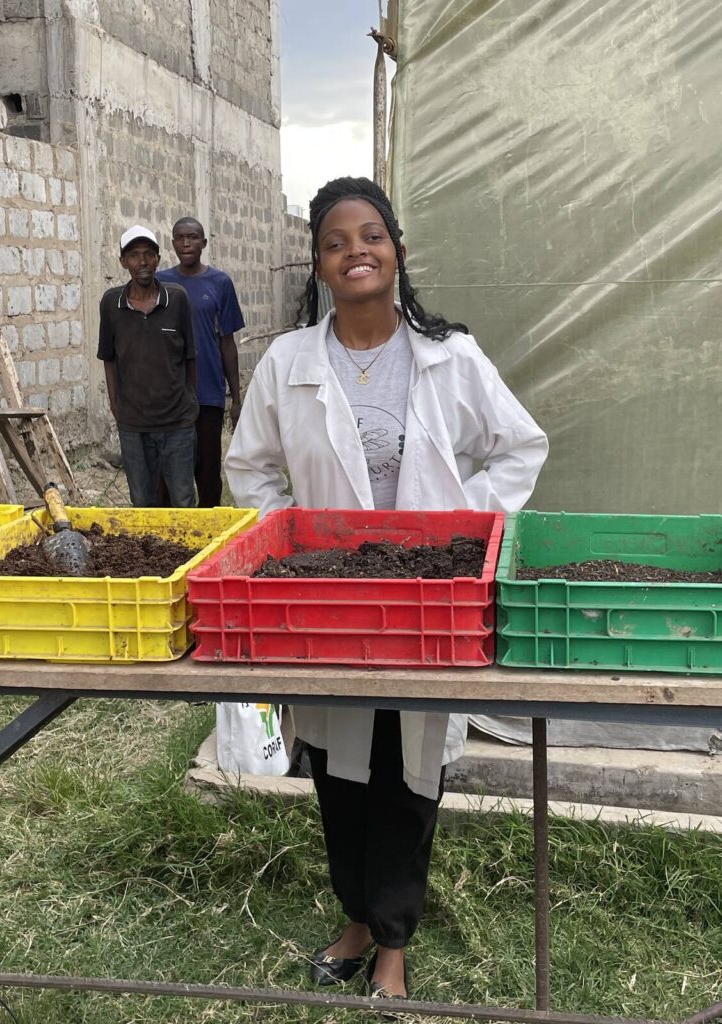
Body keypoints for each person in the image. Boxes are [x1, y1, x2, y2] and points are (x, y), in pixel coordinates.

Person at [224, 177, 549, 1011]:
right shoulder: (289, 361)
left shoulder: (451, 355)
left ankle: (394, 940)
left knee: (409, 771)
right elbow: (249, 467)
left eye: (371, 235)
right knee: (338, 765)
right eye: (336, 241)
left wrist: (463, 525)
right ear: (319, 264)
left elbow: (520, 446)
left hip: (425, 601)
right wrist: (289, 535)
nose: (355, 251)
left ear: (397, 248)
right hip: (325, 598)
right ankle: (356, 920)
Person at [98, 225, 198, 507]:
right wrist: (116, 405)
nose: (141, 262)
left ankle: (189, 553)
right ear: (123, 262)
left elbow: (191, 357)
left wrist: (190, 403)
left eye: (148, 254)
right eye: (133, 255)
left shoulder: (176, 299)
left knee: (183, 500)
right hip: (133, 424)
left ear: (157, 258)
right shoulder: (111, 303)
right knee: (142, 503)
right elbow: (109, 358)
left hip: (177, 422)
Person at [156, 217, 245, 507]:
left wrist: (236, 397)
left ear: (204, 243)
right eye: (180, 238)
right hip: (171, 395)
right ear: (172, 243)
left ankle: (210, 529)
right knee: (168, 470)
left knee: (207, 470)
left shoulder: (220, 283)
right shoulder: (162, 283)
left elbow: (226, 342)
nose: (186, 243)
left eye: (192, 237)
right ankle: (171, 535)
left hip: (208, 394)